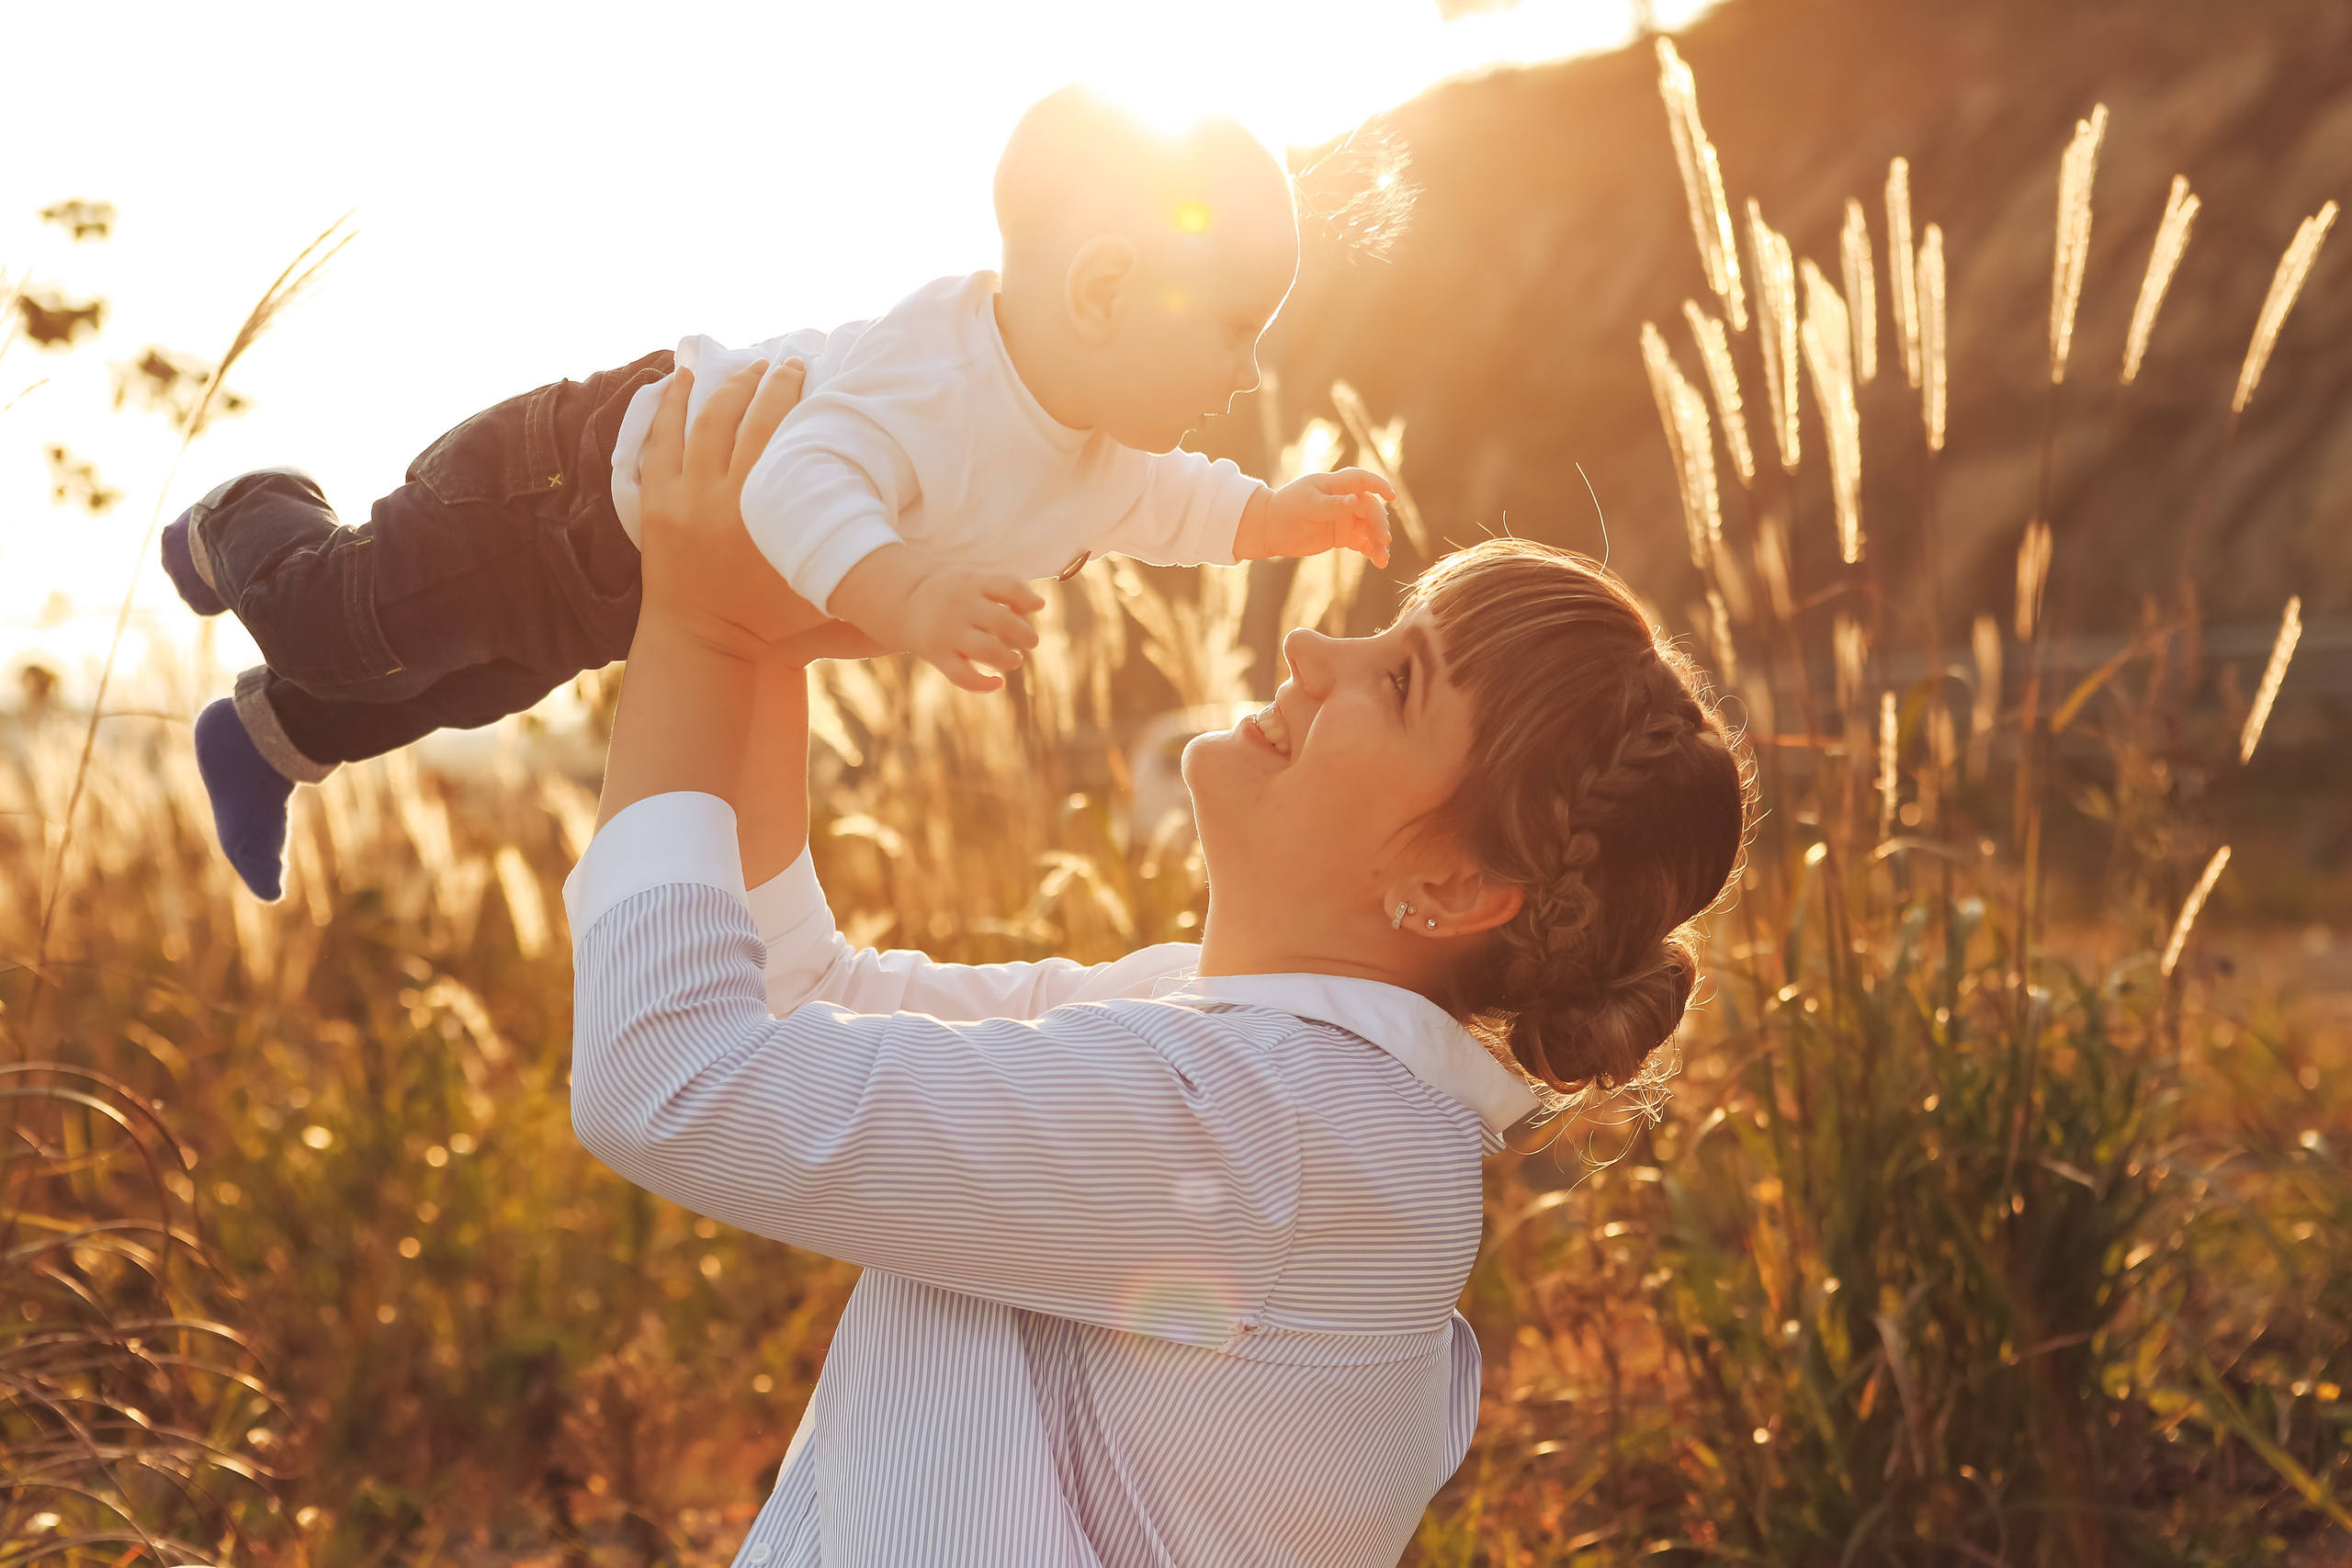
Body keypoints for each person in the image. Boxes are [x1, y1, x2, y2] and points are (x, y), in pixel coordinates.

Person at [567, 361, 1747, 1565]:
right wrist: (769, 641)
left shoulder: (1257, 1127)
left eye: (1395, 683)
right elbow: (801, 999)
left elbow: (670, 1081)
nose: (1308, 646)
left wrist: (698, 628)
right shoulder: (1239, 1062)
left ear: (1452, 889)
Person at [160, 85, 1396, 901]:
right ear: (1105, 292)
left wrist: (1277, 516)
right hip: (567, 492)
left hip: (636, 582)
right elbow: (807, 481)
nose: (1249, 376)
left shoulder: (1095, 451)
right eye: (1236, 332)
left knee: (463, 684)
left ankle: (270, 738)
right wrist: (906, 592)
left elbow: (1173, 503)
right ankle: (249, 517)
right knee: (353, 625)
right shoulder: (939, 376)